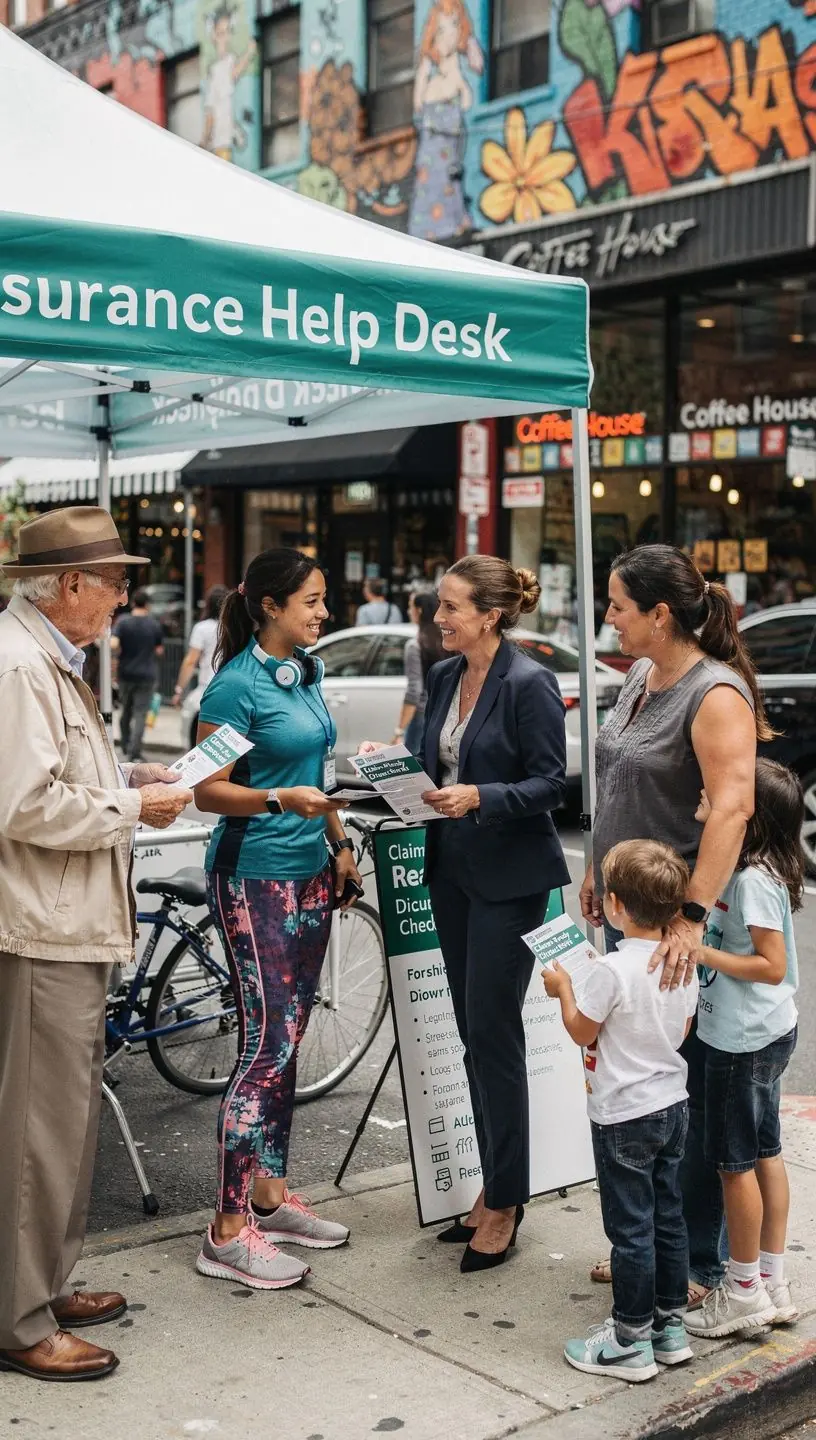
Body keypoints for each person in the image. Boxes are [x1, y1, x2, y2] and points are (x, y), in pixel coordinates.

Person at [0, 507, 192, 1383]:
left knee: (61, 1123)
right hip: (40, 927)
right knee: (39, 1131)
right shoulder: (19, 664)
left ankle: (41, 1286)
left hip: (61, 923)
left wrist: (128, 777)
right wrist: (131, 807)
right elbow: (22, 804)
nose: (124, 596)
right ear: (70, 584)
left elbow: (56, 778)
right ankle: (21, 1318)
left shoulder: (48, 659)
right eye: (114, 580)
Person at [579, 544, 769, 1303]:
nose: (609, 619)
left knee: (680, 1089)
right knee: (641, 1079)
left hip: (679, 926)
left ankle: (691, 1261)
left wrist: (691, 917)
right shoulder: (640, 677)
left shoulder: (714, 693)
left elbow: (733, 808)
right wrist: (600, 865)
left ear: (660, 614)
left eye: (619, 606)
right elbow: (623, 776)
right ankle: (652, 1247)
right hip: (633, 912)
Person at [192, 549, 363, 1290]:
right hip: (251, 876)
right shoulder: (234, 687)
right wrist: (278, 803)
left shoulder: (310, 673)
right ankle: (227, 1231)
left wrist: (338, 843)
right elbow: (204, 790)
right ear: (268, 605)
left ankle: (270, 1194)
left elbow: (315, 775)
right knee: (265, 1046)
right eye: (312, 601)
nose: (324, 613)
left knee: (289, 1041)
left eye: (324, 601)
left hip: (312, 874)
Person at [403, 555, 570, 1270]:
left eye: (450, 607)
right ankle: (489, 1187)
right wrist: (393, 769)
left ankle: (505, 1199)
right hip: (451, 870)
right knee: (472, 1035)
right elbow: (428, 765)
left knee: (495, 1038)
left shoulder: (529, 682)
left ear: (491, 615)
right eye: (439, 606)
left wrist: (482, 796)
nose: (437, 618)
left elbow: (552, 784)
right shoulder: (443, 676)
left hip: (510, 879)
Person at [545, 840, 699, 1383]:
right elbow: (681, 1032)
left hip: (624, 1115)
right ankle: (669, 1327)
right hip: (672, 1105)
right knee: (668, 1217)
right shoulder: (681, 964)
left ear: (614, 905)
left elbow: (582, 1031)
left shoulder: (609, 969)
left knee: (630, 1229)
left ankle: (629, 1342)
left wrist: (563, 988)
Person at [685, 759, 802, 1339]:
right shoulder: (748, 867)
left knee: (734, 1167)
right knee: (764, 1153)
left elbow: (771, 965)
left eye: (727, 787)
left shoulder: (752, 879)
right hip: (762, 1032)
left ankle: (744, 1290)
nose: (709, 788)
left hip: (740, 1043)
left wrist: (702, 953)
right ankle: (774, 1280)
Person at [111, 587, 164, 761]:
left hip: (126, 673)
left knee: (125, 710)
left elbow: (114, 644)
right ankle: (135, 751)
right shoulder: (154, 624)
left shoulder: (123, 622)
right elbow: (159, 650)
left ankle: (126, 746)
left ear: (133, 602)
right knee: (141, 713)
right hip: (147, 674)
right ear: (147, 605)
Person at [391, 589, 445, 754]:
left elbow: (414, 691)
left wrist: (399, 729)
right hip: (446, 712)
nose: (408, 611)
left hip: (422, 715)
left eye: (410, 607)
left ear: (419, 610)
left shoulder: (415, 645)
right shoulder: (447, 641)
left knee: (414, 767)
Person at [172, 584, 229, 706]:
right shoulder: (233, 628)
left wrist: (179, 689)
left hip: (208, 687)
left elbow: (191, 661)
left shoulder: (201, 628)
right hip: (231, 689)